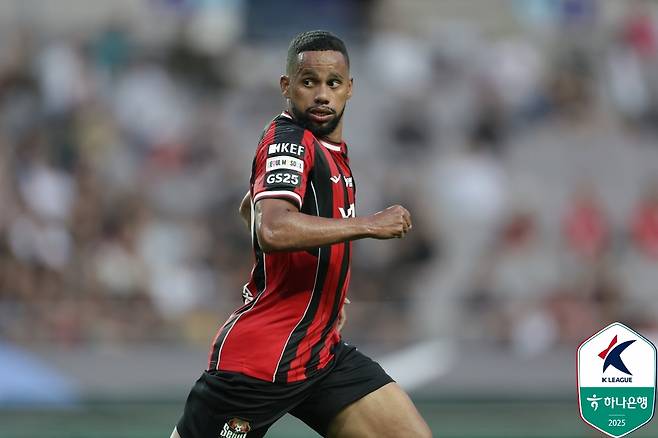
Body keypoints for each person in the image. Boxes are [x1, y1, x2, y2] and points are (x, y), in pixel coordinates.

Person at [171, 30, 432, 438]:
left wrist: (325, 290)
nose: (322, 95)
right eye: (309, 82)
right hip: (262, 361)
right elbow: (272, 227)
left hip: (319, 352)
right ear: (286, 86)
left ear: (350, 88)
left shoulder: (328, 148)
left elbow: (250, 208)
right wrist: (369, 224)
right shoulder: (289, 140)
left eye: (333, 83)